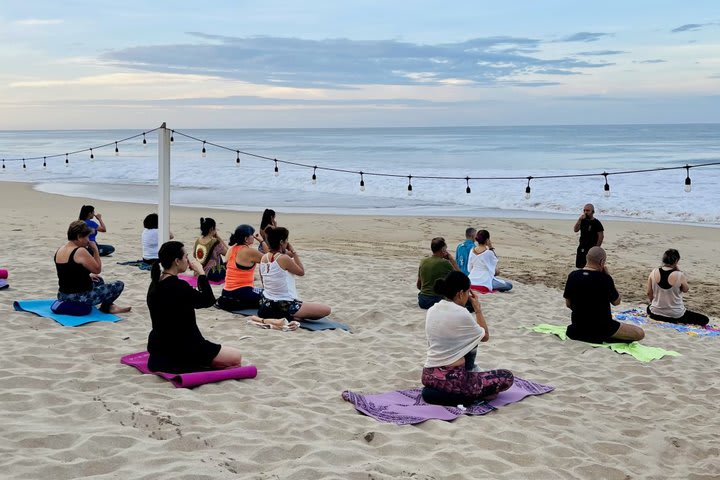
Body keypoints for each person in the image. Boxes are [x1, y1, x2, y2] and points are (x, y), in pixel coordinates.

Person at [146, 241, 242, 373]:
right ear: (177, 261)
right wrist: (201, 274)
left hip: (159, 349)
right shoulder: (179, 287)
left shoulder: (154, 285)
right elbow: (208, 301)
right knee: (236, 357)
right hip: (185, 348)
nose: (188, 260)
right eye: (185, 257)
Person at [421, 271, 514, 403]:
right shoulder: (461, 313)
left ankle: (440, 394)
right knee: (507, 377)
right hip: (453, 379)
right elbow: (485, 336)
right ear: (460, 293)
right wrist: (478, 309)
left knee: (469, 343)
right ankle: (468, 397)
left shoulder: (432, 310)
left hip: (428, 375)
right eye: (467, 292)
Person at [563, 247, 644, 343]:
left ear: (587, 258)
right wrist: (609, 276)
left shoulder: (573, 276)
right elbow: (617, 302)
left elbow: (568, 304)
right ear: (602, 262)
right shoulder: (605, 279)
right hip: (602, 328)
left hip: (577, 328)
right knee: (639, 333)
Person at [54, 220, 130, 314]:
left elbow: (66, 272)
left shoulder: (60, 249)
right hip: (78, 297)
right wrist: (95, 250)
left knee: (98, 280)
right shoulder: (80, 251)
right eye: (87, 237)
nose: (88, 240)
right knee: (119, 284)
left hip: (62, 295)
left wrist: (88, 276)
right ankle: (106, 307)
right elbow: (97, 269)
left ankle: (109, 306)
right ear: (79, 237)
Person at [257, 226, 331, 321]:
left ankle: (289, 315)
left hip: (265, 304)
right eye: (286, 240)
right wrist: (294, 252)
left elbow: (263, 281)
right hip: (283, 304)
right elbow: (301, 272)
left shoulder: (264, 258)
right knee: (326, 310)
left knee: (307, 308)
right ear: (281, 242)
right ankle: (290, 316)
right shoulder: (283, 258)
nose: (287, 243)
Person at [646, 249, 709, 326]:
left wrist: (655, 303)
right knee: (705, 319)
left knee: (649, 308)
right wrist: (679, 272)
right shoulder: (679, 275)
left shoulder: (653, 272)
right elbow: (685, 289)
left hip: (656, 312)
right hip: (675, 314)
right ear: (676, 261)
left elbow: (649, 293)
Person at [217, 224, 265, 311]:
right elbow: (270, 258)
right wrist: (262, 242)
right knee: (269, 297)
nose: (254, 237)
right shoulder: (248, 251)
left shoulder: (231, 249)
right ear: (246, 239)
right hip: (241, 294)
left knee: (260, 291)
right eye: (252, 235)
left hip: (226, 293)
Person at [417, 237, 460, 309]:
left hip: (422, 300)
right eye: (445, 249)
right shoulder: (444, 263)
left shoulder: (423, 261)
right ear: (443, 250)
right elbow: (461, 277)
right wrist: (451, 260)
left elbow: (419, 286)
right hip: (437, 300)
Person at [193, 217, 228, 282]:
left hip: (199, 272)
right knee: (229, 263)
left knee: (217, 254)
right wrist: (218, 237)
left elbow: (194, 255)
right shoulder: (215, 242)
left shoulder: (198, 240)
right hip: (212, 274)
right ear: (212, 229)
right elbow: (228, 253)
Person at [573, 203, 604, 268]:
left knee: (590, 266)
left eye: (587, 210)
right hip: (582, 246)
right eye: (584, 210)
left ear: (593, 212)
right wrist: (579, 220)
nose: (585, 212)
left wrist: (597, 247)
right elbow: (575, 230)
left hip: (591, 247)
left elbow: (601, 236)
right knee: (580, 265)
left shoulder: (596, 223)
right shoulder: (582, 220)